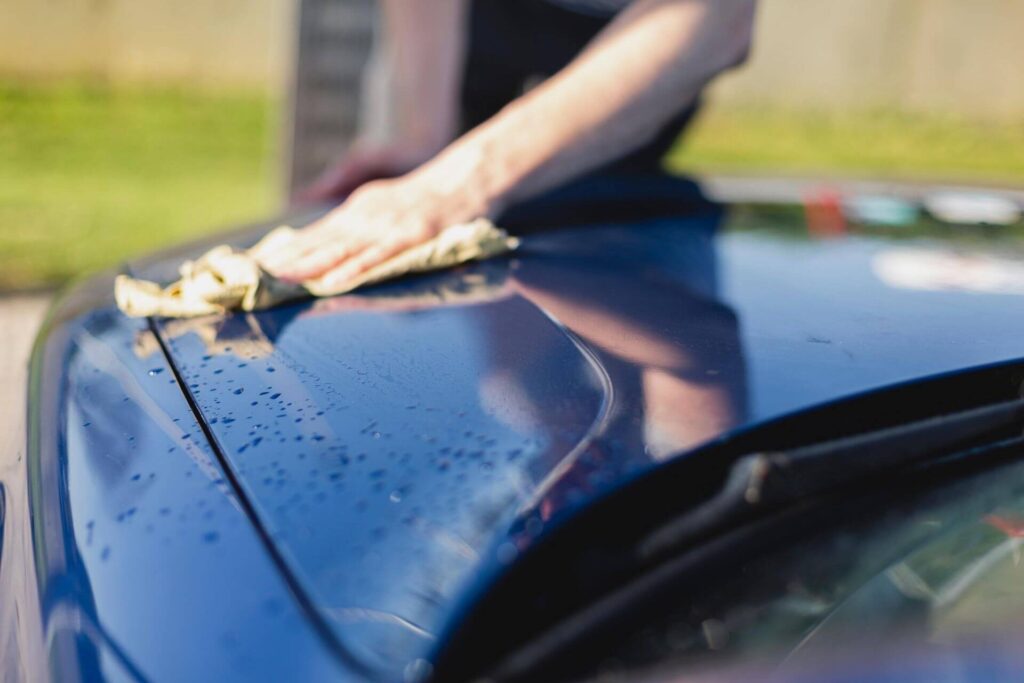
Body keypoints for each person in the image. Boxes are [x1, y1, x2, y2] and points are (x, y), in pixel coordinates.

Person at [261, 0, 757, 288]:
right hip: (474, 30)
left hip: (635, 42)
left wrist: (456, 184)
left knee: (634, 285)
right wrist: (423, 139)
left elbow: (716, 20)